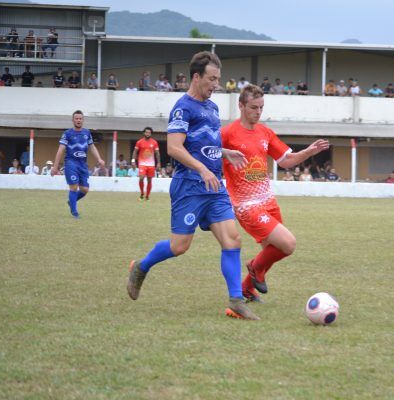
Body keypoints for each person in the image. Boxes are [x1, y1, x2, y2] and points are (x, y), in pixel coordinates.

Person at [126, 51, 259, 320]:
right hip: (189, 185)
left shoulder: (212, 108)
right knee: (180, 246)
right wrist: (200, 168)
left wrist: (224, 153)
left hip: (214, 185)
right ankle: (141, 266)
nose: (216, 85)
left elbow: (206, 145)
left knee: (232, 239)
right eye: (212, 79)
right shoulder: (182, 108)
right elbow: (174, 148)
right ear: (196, 77)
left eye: (218, 79)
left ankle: (236, 300)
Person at [221, 84, 330, 302]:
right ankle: (253, 267)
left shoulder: (265, 132)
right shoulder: (226, 133)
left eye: (261, 107)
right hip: (246, 205)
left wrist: (308, 152)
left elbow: (287, 161)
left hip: (268, 201)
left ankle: (246, 289)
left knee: (271, 251)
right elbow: (206, 152)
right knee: (288, 244)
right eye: (253, 107)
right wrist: (223, 153)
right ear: (241, 105)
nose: (258, 112)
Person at [51, 110, 105, 218]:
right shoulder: (67, 134)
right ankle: (74, 212)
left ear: (83, 120)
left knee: (85, 190)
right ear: (73, 120)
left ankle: (72, 201)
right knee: (74, 187)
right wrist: (55, 167)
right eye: (76, 118)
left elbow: (92, 147)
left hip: (83, 164)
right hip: (71, 163)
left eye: (80, 118)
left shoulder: (87, 133)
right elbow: (61, 149)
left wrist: (99, 158)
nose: (79, 120)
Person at [132, 127, 161, 201]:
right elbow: (135, 151)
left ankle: (147, 196)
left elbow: (157, 153)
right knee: (141, 178)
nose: (148, 134)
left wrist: (158, 163)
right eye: (146, 132)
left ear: (151, 134)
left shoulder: (154, 142)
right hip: (142, 163)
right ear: (144, 133)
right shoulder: (139, 142)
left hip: (151, 164)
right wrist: (133, 161)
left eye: (149, 133)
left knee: (149, 180)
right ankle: (142, 194)